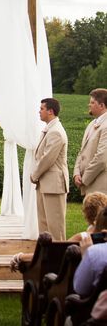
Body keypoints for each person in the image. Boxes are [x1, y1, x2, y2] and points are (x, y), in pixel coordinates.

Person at [30, 97, 69, 240]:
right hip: (45, 183)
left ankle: (59, 259)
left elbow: (47, 159)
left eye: (42, 109)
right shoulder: (49, 129)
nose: (39, 111)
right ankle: (46, 257)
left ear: (51, 111)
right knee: (44, 226)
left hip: (54, 185)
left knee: (55, 226)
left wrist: (34, 175)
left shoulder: (56, 132)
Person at [74, 88, 107, 197]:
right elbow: (82, 152)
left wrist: (85, 178)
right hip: (89, 185)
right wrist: (76, 173)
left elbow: (102, 158)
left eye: (92, 102)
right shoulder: (91, 124)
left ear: (102, 105)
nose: (89, 105)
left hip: (100, 187)